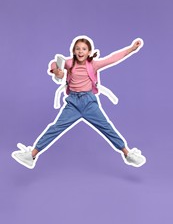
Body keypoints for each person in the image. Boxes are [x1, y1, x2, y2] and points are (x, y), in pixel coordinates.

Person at [11, 35, 146, 169]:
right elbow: (55, 63)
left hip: (89, 103)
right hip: (73, 104)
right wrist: (56, 71)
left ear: (89, 52)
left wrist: (132, 49)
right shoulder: (70, 63)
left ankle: (128, 154)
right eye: (78, 49)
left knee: (107, 128)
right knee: (55, 128)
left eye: (84, 49)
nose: (80, 51)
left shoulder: (94, 64)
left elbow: (113, 58)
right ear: (74, 51)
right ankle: (31, 155)